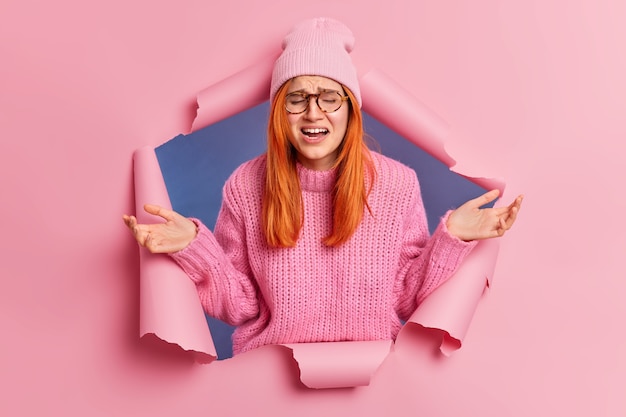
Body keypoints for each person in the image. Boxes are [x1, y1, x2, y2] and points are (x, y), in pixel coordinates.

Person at [123, 17, 522, 355]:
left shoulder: (396, 184)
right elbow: (242, 305)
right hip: (272, 380)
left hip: (371, 381)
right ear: (281, 110)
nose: (313, 113)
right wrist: (194, 246)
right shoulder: (246, 185)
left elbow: (404, 297)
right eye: (297, 98)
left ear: (351, 107)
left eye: (329, 97)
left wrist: (452, 236)